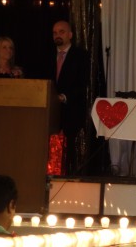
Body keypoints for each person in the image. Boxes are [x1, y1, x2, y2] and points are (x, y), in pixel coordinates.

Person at [46, 20, 90, 176]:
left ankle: (67, 179)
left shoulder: (81, 56)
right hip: (49, 113)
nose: (57, 35)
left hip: (71, 112)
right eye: (55, 33)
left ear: (70, 35)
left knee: (67, 154)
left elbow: (83, 84)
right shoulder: (46, 55)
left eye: (61, 32)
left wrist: (64, 96)